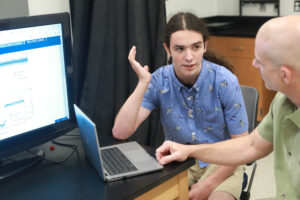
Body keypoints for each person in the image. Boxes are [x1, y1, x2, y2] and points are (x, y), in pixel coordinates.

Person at [156, 15, 300, 199]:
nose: (253, 64)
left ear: (285, 75)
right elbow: (251, 145)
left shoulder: (223, 80)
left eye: (260, 62)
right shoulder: (281, 102)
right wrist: (189, 150)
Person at [112, 12, 249, 200]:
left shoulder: (225, 81)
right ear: (167, 50)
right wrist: (143, 83)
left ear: (205, 46)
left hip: (223, 163)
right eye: (179, 49)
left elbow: (242, 147)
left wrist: (206, 185)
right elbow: (120, 132)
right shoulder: (160, 79)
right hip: (179, 163)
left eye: (196, 47)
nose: (189, 57)